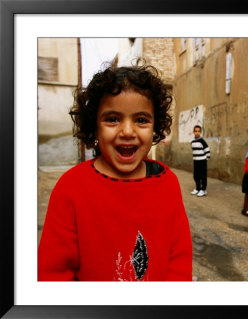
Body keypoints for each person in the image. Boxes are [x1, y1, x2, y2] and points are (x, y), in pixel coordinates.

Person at [38, 63, 193, 281]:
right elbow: (53, 272)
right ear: (94, 126)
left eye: (141, 120)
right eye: (112, 119)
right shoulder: (71, 187)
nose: (127, 131)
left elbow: (179, 260)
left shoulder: (168, 184)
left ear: (155, 126)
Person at [190, 125, 210, 197]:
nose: (197, 133)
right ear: (193, 132)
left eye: (199, 131)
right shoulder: (192, 141)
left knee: (203, 176)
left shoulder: (202, 141)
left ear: (200, 132)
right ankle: (198, 188)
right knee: (196, 175)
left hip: (202, 161)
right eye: (196, 131)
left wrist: (207, 158)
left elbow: (207, 149)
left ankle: (203, 189)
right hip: (196, 161)